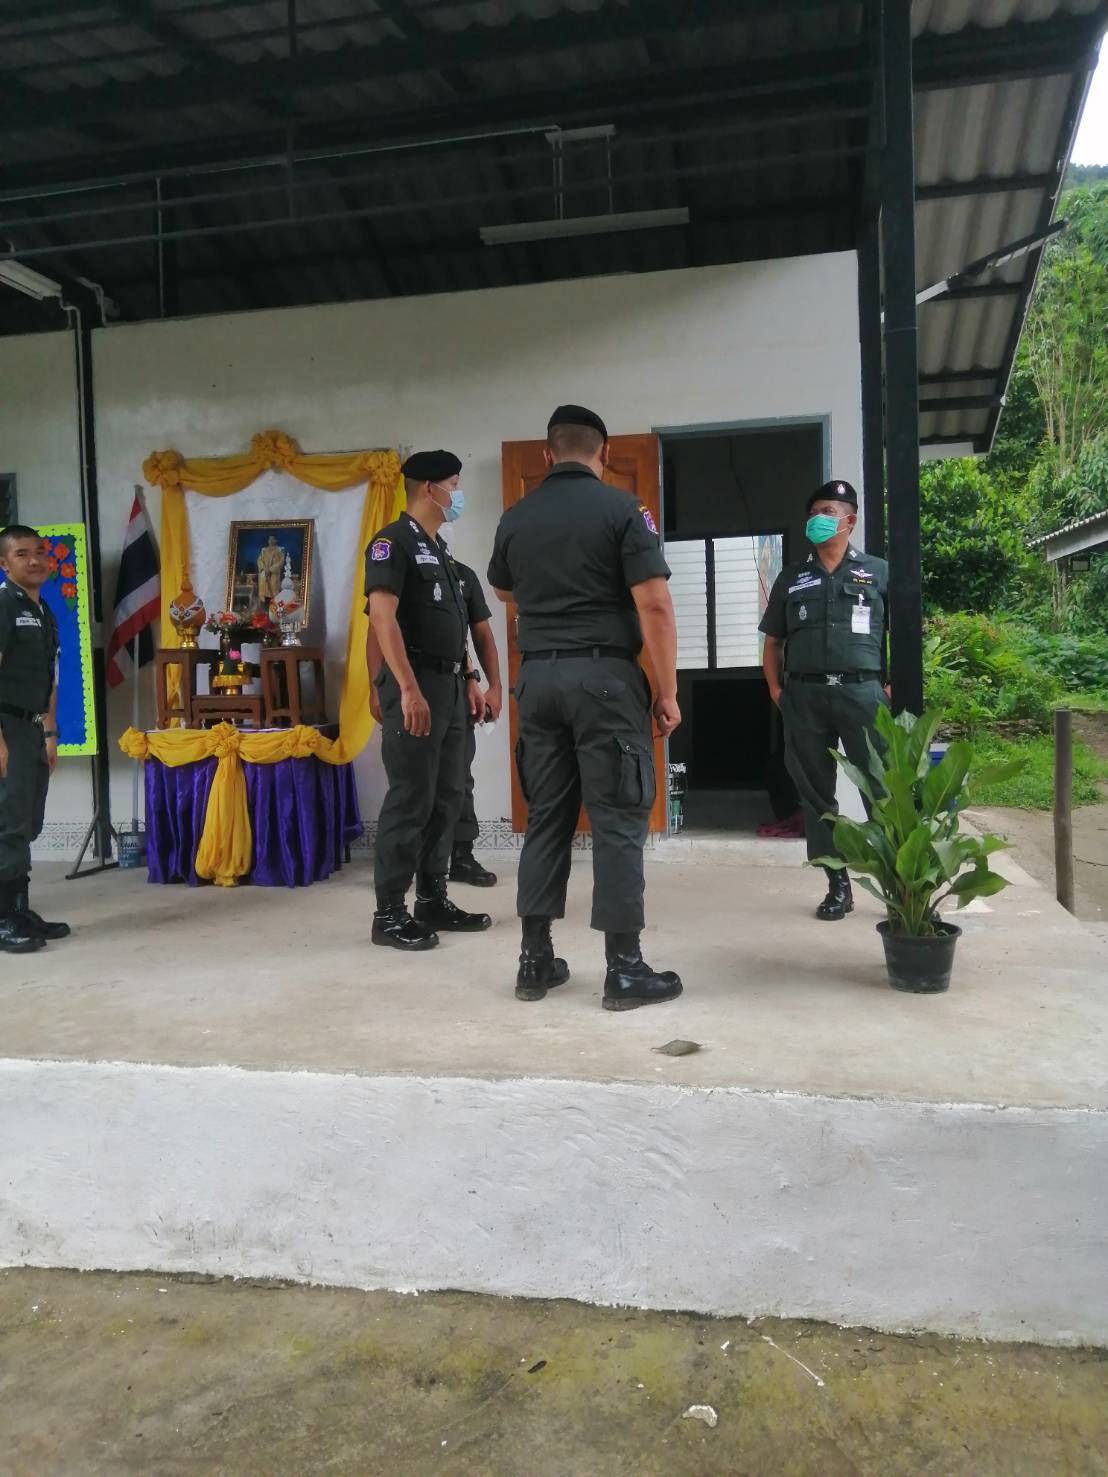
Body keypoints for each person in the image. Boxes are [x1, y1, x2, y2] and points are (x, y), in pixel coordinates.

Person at [488, 405, 682, 1011]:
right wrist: (668, 691)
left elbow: (503, 586)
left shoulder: (516, 516)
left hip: (537, 681)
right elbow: (655, 605)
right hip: (604, 680)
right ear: (604, 452)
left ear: (547, 455)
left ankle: (534, 962)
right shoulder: (623, 510)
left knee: (547, 816)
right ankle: (624, 971)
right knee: (617, 817)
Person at [365, 451, 491, 950]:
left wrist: (471, 678)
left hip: (450, 686)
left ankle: (432, 898)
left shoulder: (440, 552)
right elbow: (381, 620)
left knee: (447, 795)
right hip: (414, 683)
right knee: (411, 796)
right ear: (428, 489)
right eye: (454, 484)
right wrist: (406, 687)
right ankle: (389, 914)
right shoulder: (391, 543)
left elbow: (453, 628)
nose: (458, 494)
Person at [759, 480, 889, 920]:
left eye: (828, 512)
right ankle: (837, 885)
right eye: (814, 512)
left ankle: (896, 885)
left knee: (882, 788)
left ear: (850, 520)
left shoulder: (878, 572)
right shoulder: (792, 578)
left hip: (863, 694)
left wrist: (891, 686)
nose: (818, 519)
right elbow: (773, 642)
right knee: (816, 796)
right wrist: (777, 690)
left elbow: (903, 635)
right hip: (805, 697)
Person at [0, 525, 70, 953]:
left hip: (31, 727)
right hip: (6, 725)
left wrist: (50, 732)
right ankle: (3, 919)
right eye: (22, 554)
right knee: (7, 823)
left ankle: (20, 910)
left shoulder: (43, 610)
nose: (35, 560)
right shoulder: (4, 604)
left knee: (26, 822)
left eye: (40, 552)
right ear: (4, 564)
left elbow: (50, 679)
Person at [447, 554, 502, 888]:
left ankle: (462, 856)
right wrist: (375, 689)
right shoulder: (401, 563)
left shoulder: (462, 575)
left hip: (455, 684)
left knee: (459, 777)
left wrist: (489, 685)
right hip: (409, 683)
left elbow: (478, 634)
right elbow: (379, 628)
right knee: (414, 780)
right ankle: (409, 861)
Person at [256, 535, 285, 603]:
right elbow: (259, 560)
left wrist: (271, 569)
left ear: (276, 540)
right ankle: (265, 604)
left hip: (274, 574)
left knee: (274, 591)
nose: (270, 541)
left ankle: (274, 605)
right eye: (269, 539)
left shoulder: (279, 550)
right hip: (265, 574)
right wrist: (264, 568)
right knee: (265, 593)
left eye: (272, 539)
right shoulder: (264, 550)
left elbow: (281, 561)